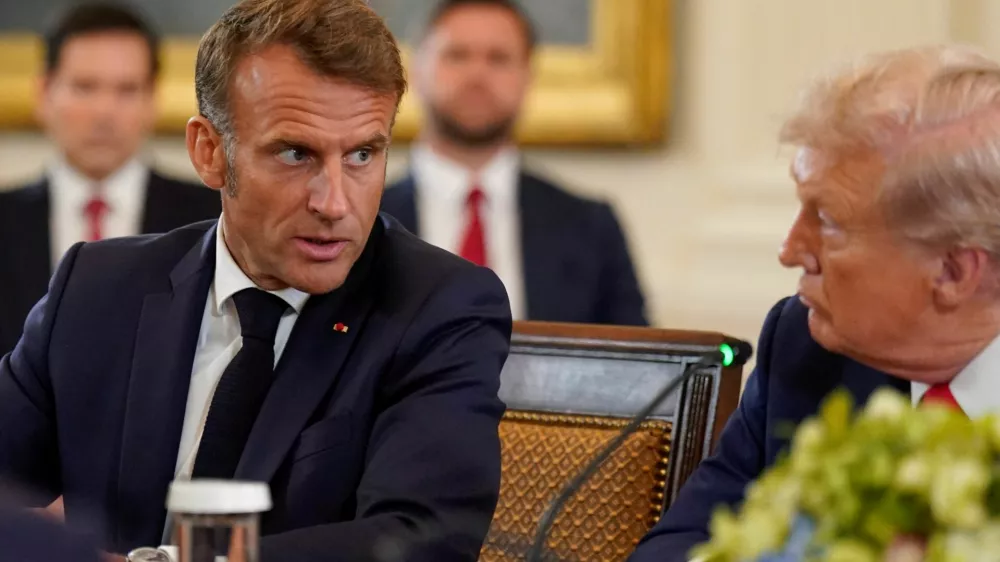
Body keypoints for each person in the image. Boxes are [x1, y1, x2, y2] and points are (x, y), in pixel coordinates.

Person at [0, 1, 511, 561]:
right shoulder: (98, 288)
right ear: (210, 152)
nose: (335, 203)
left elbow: (418, 538)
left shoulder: (439, 307)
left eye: (363, 154)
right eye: (296, 154)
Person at [630, 44, 1000, 561]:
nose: (790, 250)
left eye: (828, 221)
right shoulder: (804, 349)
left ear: (953, 271)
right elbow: (676, 550)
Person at [380, 0, 648, 326]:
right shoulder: (365, 218)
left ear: (528, 77)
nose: (477, 74)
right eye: (457, 55)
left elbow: (638, 366)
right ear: (416, 71)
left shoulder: (592, 227)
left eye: (498, 58)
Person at [0, 2, 221, 357]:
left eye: (127, 90)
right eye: (85, 87)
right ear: (44, 92)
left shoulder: (214, 217)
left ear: (153, 99)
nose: (105, 112)